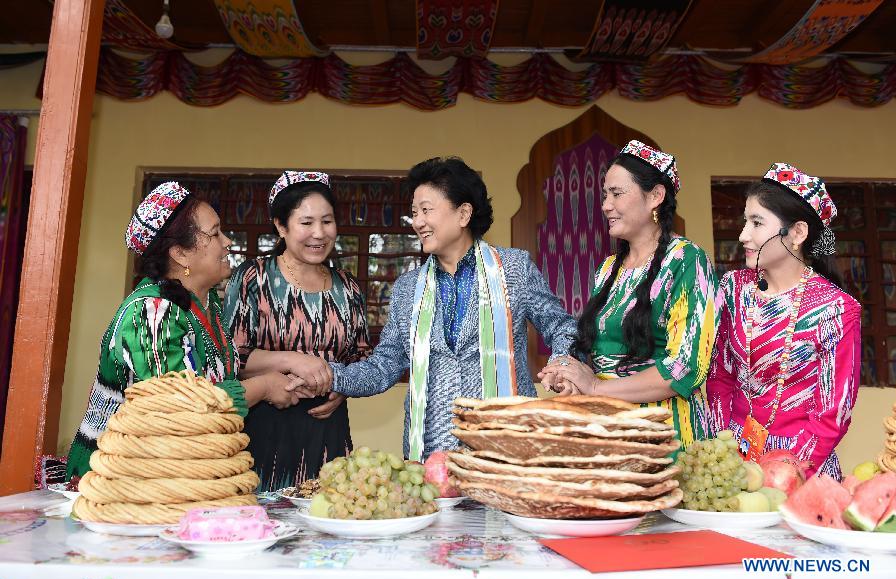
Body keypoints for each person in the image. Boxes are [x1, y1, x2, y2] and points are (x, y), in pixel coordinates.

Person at [302, 157, 577, 461]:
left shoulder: (514, 268)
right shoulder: (408, 287)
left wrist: (562, 364)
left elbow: (562, 327)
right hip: (430, 456)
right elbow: (385, 365)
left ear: (463, 213)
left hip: (507, 450)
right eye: (414, 213)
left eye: (426, 210)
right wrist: (331, 376)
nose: (417, 222)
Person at [67, 182, 301, 479]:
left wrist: (288, 374)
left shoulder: (207, 305)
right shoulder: (151, 314)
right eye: (215, 233)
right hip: (125, 482)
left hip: (184, 475)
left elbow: (212, 379)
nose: (227, 242)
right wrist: (265, 387)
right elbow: (183, 410)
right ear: (180, 253)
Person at [538, 141, 718, 449]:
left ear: (655, 197)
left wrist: (595, 386)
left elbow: (685, 368)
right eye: (605, 194)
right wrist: (569, 375)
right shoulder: (608, 269)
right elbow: (598, 355)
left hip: (663, 435)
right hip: (607, 431)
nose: (606, 204)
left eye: (617, 194)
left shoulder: (687, 261)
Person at [706, 163, 861, 479]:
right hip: (732, 458)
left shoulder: (835, 309)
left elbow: (833, 413)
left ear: (798, 233)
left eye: (757, 223)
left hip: (800, 465)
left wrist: (786, 472)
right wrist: (723, 447)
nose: (743, 235)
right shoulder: (733, 288)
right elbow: (719, 376)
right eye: (745, 221)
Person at [224, 171, 370, 490]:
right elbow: (230, 358)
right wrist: (293, 360)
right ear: (280, 226)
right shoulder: (253, 278)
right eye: (306, 222)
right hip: (262, 426)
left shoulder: (348, 287)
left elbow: (361, 358)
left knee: (328, 516)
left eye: (327, 221)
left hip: (326, 428)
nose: (319, 233)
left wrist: (342, 386)